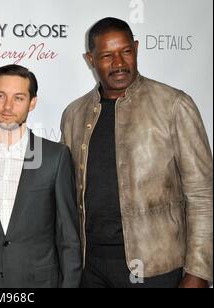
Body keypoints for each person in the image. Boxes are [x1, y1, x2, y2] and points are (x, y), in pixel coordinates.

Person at [60, 17, 213, 288]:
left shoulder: (174, 105)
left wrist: (199, 272)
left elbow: (203, 195)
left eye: (126, 51)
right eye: (107, 55)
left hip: (156, 267)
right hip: (90, 267)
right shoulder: (74, 114)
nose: (119, 63)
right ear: (90, 59)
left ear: (137, 49)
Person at [0, 64, 81, 288]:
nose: (7, 106)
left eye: (19, 98)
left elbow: (68, 238)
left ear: (32, 103)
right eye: (0, 96)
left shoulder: (55, 157)